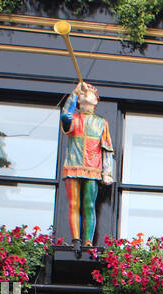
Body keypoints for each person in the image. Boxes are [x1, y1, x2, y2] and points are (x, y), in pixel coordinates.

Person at [61, 81, 114, 254]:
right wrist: (74, 94)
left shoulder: (101, 122)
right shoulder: (74, 118)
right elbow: (65, 116)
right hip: (74, 164)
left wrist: (107, 172)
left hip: (93, 168)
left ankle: (88, 241)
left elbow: (107, 148)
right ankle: (76, 238)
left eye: (90, 91)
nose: (87, 93)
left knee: (89, 205)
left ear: (96, 100)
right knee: (74, 204)